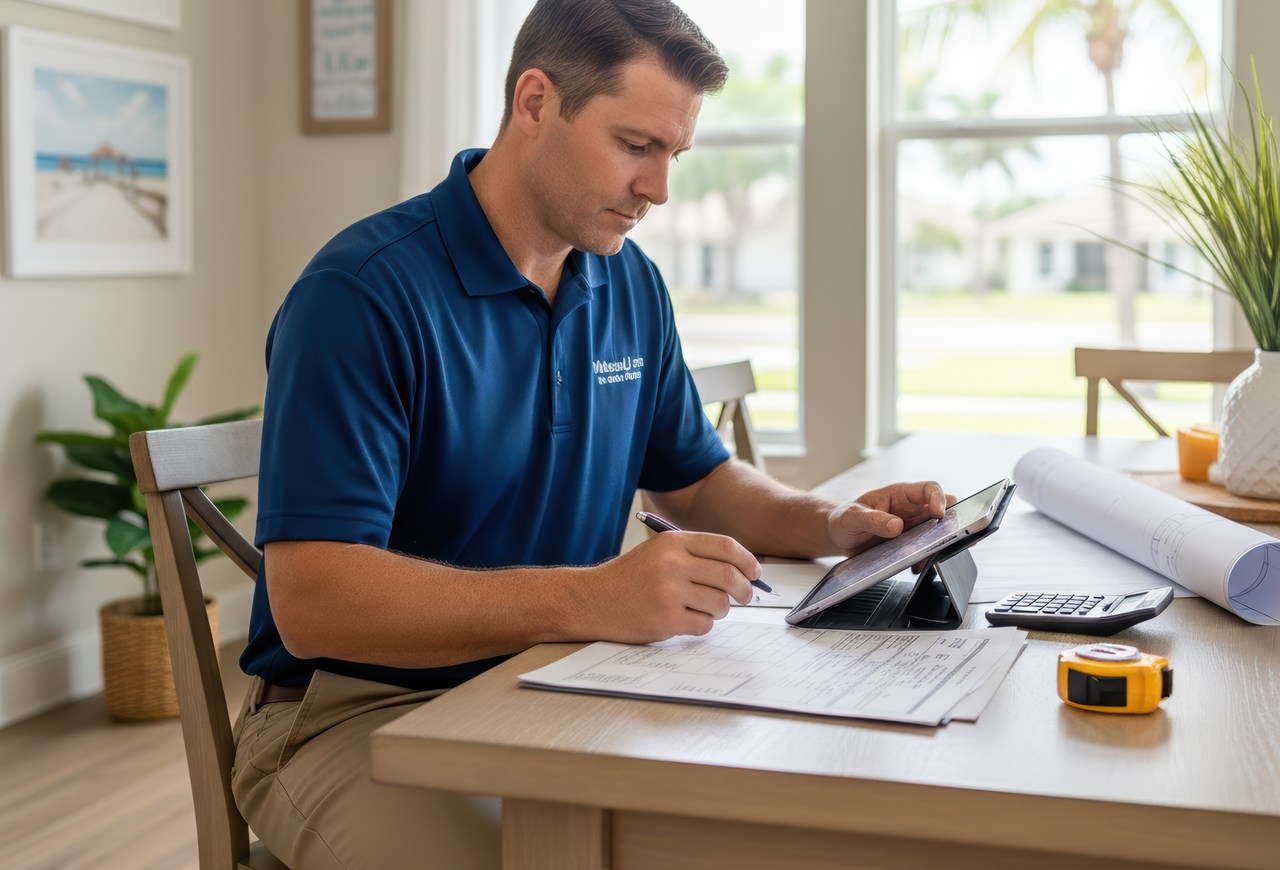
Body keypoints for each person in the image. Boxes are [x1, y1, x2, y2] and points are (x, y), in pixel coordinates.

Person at [233, 1, 948, 867]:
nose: (660, 189)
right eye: (635, 146)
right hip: (355, 709)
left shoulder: (628, 283)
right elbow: (314, 602)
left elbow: (695, 482)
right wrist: (592, 598)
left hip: (561, 674)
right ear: (535, 103)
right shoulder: (360, 295)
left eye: (673, 155)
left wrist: (832, 525)